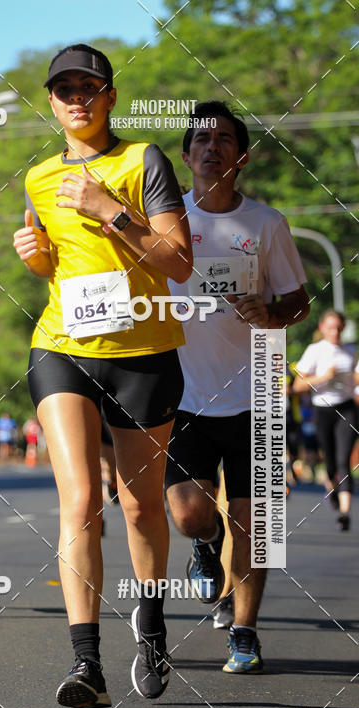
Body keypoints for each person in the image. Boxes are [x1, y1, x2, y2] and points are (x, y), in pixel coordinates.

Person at [13, 44, 192, 708]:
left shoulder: (143, 160)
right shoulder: (37, 178)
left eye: (89, 87)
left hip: (143, 352)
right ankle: (86, 664)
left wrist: (108, 208)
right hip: (62, 347)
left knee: (141, 505)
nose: (77, 99)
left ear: (111, 96)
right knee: (82, 499)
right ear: (51, 101)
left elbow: (178, 261)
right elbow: (56, 265)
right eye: (64, 89)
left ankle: (152, 629)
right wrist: (35, 257)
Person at [164, 101, 309, 673]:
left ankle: (244, 632)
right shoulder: (166, 222)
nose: (212, 146)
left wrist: (273, 314)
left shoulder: (266, 224)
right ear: (185, 156)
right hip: (183, 395)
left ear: (241, 157)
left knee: (257, 524)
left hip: (259, 391)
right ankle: (206, 545)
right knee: (190, 515)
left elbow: (298, 301)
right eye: (201, 139)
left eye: (224, 138)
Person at [293, 310, 359, 530]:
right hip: (322, 410)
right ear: (322, 328)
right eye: (331, 328)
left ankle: (344, 512)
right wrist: (324, 377)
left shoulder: (351, 351)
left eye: (339, 328)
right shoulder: (315, 351)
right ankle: (333, 489)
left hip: (346, 409)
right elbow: (298, 386)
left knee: (343, 460)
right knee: (330, 461)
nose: (335, 332)